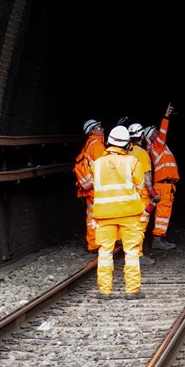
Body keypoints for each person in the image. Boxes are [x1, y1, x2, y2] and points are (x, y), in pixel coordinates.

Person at [92, 126, 147, 298]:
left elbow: (94, 186)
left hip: (104, 215)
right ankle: (132, 290)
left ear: (109, 142)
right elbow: (141, 187)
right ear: (128, 145)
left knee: (105, 251)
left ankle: (105, 291)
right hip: (129, 214)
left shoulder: (97, 164)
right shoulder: (133, 162)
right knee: (131, 251)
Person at [144, 104, 180, 250]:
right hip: (164, 185)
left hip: (165, 185)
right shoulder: (157, 145)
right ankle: (158, 238)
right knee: (163, 213)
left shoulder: (160, 148)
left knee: (162, 212)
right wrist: (166, 117)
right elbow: (164, 132)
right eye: (155, 131)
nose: (158, 132)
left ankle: (158, 237)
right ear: (151, 136)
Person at [73, 120, 107, 251]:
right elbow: (104, 168)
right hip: (97, 188)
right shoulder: (97, 146)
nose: (102, 129)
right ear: (92, 131)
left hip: (90, 187)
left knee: (92, 216)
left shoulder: (88, 145)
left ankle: (93, 243)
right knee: (101, 215)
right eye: (98, 127)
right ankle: (99, 243)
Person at [126, 123, 156, 241]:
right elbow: (146, 177)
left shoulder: (127, 151)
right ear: (142, 135)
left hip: (129, 192)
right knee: (141, 222)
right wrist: (154, 194)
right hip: (142, 194)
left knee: (130, 223)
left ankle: (128, 245)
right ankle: (137, 249)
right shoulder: (142, 153)